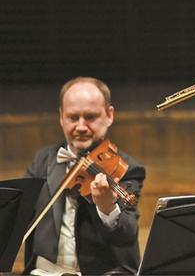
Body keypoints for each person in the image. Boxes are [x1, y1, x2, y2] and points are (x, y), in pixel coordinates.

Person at [24, 77, 145, 275]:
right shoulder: (43, 160)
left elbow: (127, 234)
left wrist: (107, 207)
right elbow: (19, 211)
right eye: (73, 117)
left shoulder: (127, 168)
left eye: (90, 117)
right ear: (61, 117)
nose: (81, 127)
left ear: (109, 115)